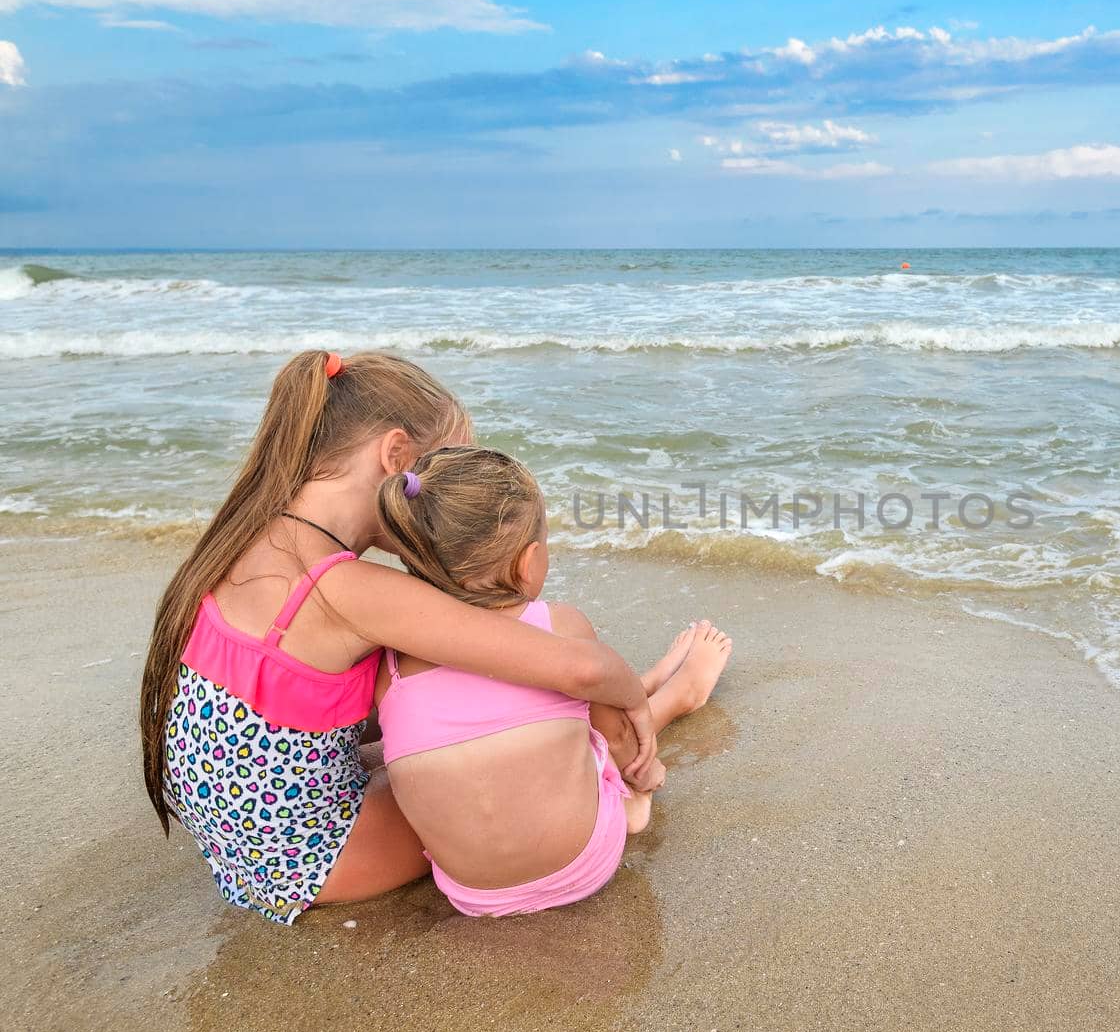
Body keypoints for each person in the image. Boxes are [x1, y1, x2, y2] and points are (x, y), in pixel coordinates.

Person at [141, 351, 666, 924]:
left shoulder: (248, 541)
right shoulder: (348, 588)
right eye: (438, 476)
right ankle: (668, 699)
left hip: (245, 846)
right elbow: (574, 669)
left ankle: (653, 689)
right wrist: (632, 697)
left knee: (447, 719)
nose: (449, 506)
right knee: (514, 746)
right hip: (317, 861)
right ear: (395, 457)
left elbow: (298, 712)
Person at [373, 446, 731, 915]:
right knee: (588, 727)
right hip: (583, 865)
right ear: (529, 560)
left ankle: (646, 681)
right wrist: (644, 777)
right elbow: (618, 740)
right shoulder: (559, 625)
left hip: (471, 895)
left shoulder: (388, 662)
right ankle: (676, 697)